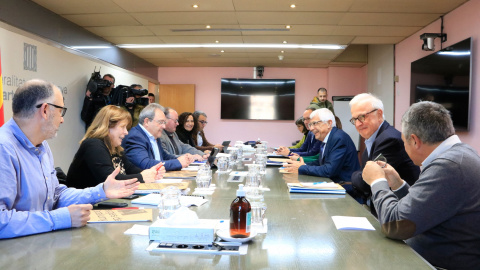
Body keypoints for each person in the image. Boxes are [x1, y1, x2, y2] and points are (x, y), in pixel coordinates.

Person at [0, 79, 139, 239]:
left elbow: (55, 195)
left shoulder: (42, 145)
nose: (62, 119)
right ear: (45, 110)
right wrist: (60, 218)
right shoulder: (4, 148)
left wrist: (100, 191)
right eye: (61, 111)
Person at [362, 101, 480, 269]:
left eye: (404, 142)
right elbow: (424, 208)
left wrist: (377, 182)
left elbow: (395, 225)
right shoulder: (460, 154)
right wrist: (397, 184)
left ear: (415, 141)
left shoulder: (448, 166)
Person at [349, 93, 419, 211]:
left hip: (402, 212)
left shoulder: (389, 139)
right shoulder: (373, 138)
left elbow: (366, 182)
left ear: (379, 114)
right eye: (354, 119)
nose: (357, 124)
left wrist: (353, 175)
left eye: (362, 117)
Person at [66, 105, 164, 189]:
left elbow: (130, 169)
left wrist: (152, 173)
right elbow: (110, 179)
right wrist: (142, 177)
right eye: (122, 127)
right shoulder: (93, 145)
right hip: (86, 205)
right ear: (107, 126)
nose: (126, 132)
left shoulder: (115, 147)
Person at [285, 108, 360, 199]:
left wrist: (302, 168)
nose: (311, 128)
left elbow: (329, 170)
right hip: (332, 186)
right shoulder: (328, 137)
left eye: (315, 123)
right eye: (310, 124)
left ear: (329, 123)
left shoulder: (339, 138)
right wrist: (301, 164)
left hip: (345, 191)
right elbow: (320, 162)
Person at [122, 104, 194, 171]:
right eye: (160, 122)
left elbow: (164, 156)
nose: (164, 126)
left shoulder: (154, 134)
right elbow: (145, 164)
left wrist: (182, 158)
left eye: (164, 122)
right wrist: (177, 163)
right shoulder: (135, 137)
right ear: (146, 121)